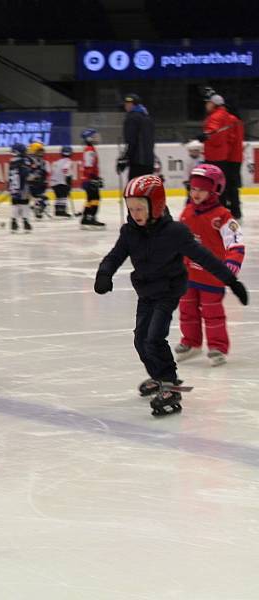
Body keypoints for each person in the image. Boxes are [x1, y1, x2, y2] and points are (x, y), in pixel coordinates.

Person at [93, 174, 248, 417]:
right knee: (140, 339)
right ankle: (158, 376)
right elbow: (115, 256)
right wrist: (104, 274)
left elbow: (204, 257)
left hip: (168, 290)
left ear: (155, 205)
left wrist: (231, 281)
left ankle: (170, 384)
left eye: (141, 208)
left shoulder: (175, 232)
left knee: (154, 338)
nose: (135, 214)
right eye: (131, 208)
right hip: (146, 291)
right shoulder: (130, 232)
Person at [176, 164, 245, 366]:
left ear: (215, 190)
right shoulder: (187, 212)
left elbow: (236, 244)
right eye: (193, 188)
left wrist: (230, 266)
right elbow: (178, 241)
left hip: (212, 276)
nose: (196, 193)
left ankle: (217, 347)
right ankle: (191, 342)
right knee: (187, 310)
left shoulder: (223, 217)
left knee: (212, 313)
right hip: (188, 274)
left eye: (202, 189)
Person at [198, 93, 242, 219]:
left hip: (222, 156)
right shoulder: (230, 117)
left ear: (213, 103)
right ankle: (233, 209)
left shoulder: (220, 116)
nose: (206, 105)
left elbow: (223, 136)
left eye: (207, 102)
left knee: (222, 185)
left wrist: (206, 135)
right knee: (227, 185)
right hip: (229, 156)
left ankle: (224, 209)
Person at [116, 93, 155, 180]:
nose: (125, 107)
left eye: (126, 104)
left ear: (131, 104)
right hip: (149, 162)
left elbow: (131, 141)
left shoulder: (131, 118)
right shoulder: (147, 117)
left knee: (134, 191)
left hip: (138, 162)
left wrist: (125, 158)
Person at [80, 128, 105, 230]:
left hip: (88, 178)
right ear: (89, 138)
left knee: (90, 199)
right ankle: (91, 217)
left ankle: (85, 217)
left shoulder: (89, 149)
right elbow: (88, 165)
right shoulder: (90, 150)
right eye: (94, 136)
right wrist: (94, 178)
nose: (97, 138)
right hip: (89, 179)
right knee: (95, 198)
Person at [8, 143, 31, 233]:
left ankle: (13, 222)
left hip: (13, 185)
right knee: (25, 203)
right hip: (23, 185)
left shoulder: (12, 161)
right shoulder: (24, 161)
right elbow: (26, 173)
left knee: (15, 203)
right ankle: (25, 221)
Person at [26, 142, 49, 219]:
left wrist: (44, 180)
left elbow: (43, 172)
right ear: (34, 151)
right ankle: (37, 208)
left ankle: (37, 207)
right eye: (39, 151)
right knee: (41, 198)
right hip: (32, 184)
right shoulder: (29, 160)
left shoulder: (41, 160)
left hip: (38, 183)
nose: (41, 153)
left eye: (42, 151)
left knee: (43, 198)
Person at [50, 145, 74, 218]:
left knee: (58, 196)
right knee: (63, 196)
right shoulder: (69, 161)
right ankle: (62, 211)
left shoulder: (57, 162)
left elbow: (53, 170)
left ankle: (58, 210)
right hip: (62, 181)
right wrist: (68, 179)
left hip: (54, 182)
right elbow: (65, 169)